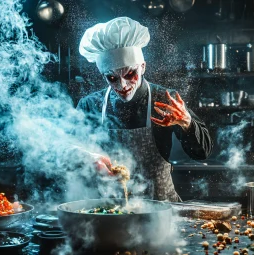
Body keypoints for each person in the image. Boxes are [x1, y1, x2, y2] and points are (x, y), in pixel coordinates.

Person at [76, 17, 212, 202]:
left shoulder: (166, 100)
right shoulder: (90, 105)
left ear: (142, 67)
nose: (122, 85)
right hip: (107, 211)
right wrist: (86, 156)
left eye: (129, 74)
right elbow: (67, 150)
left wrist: (187, 122)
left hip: (160, 210)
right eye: (112, 78)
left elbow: (201, 153)